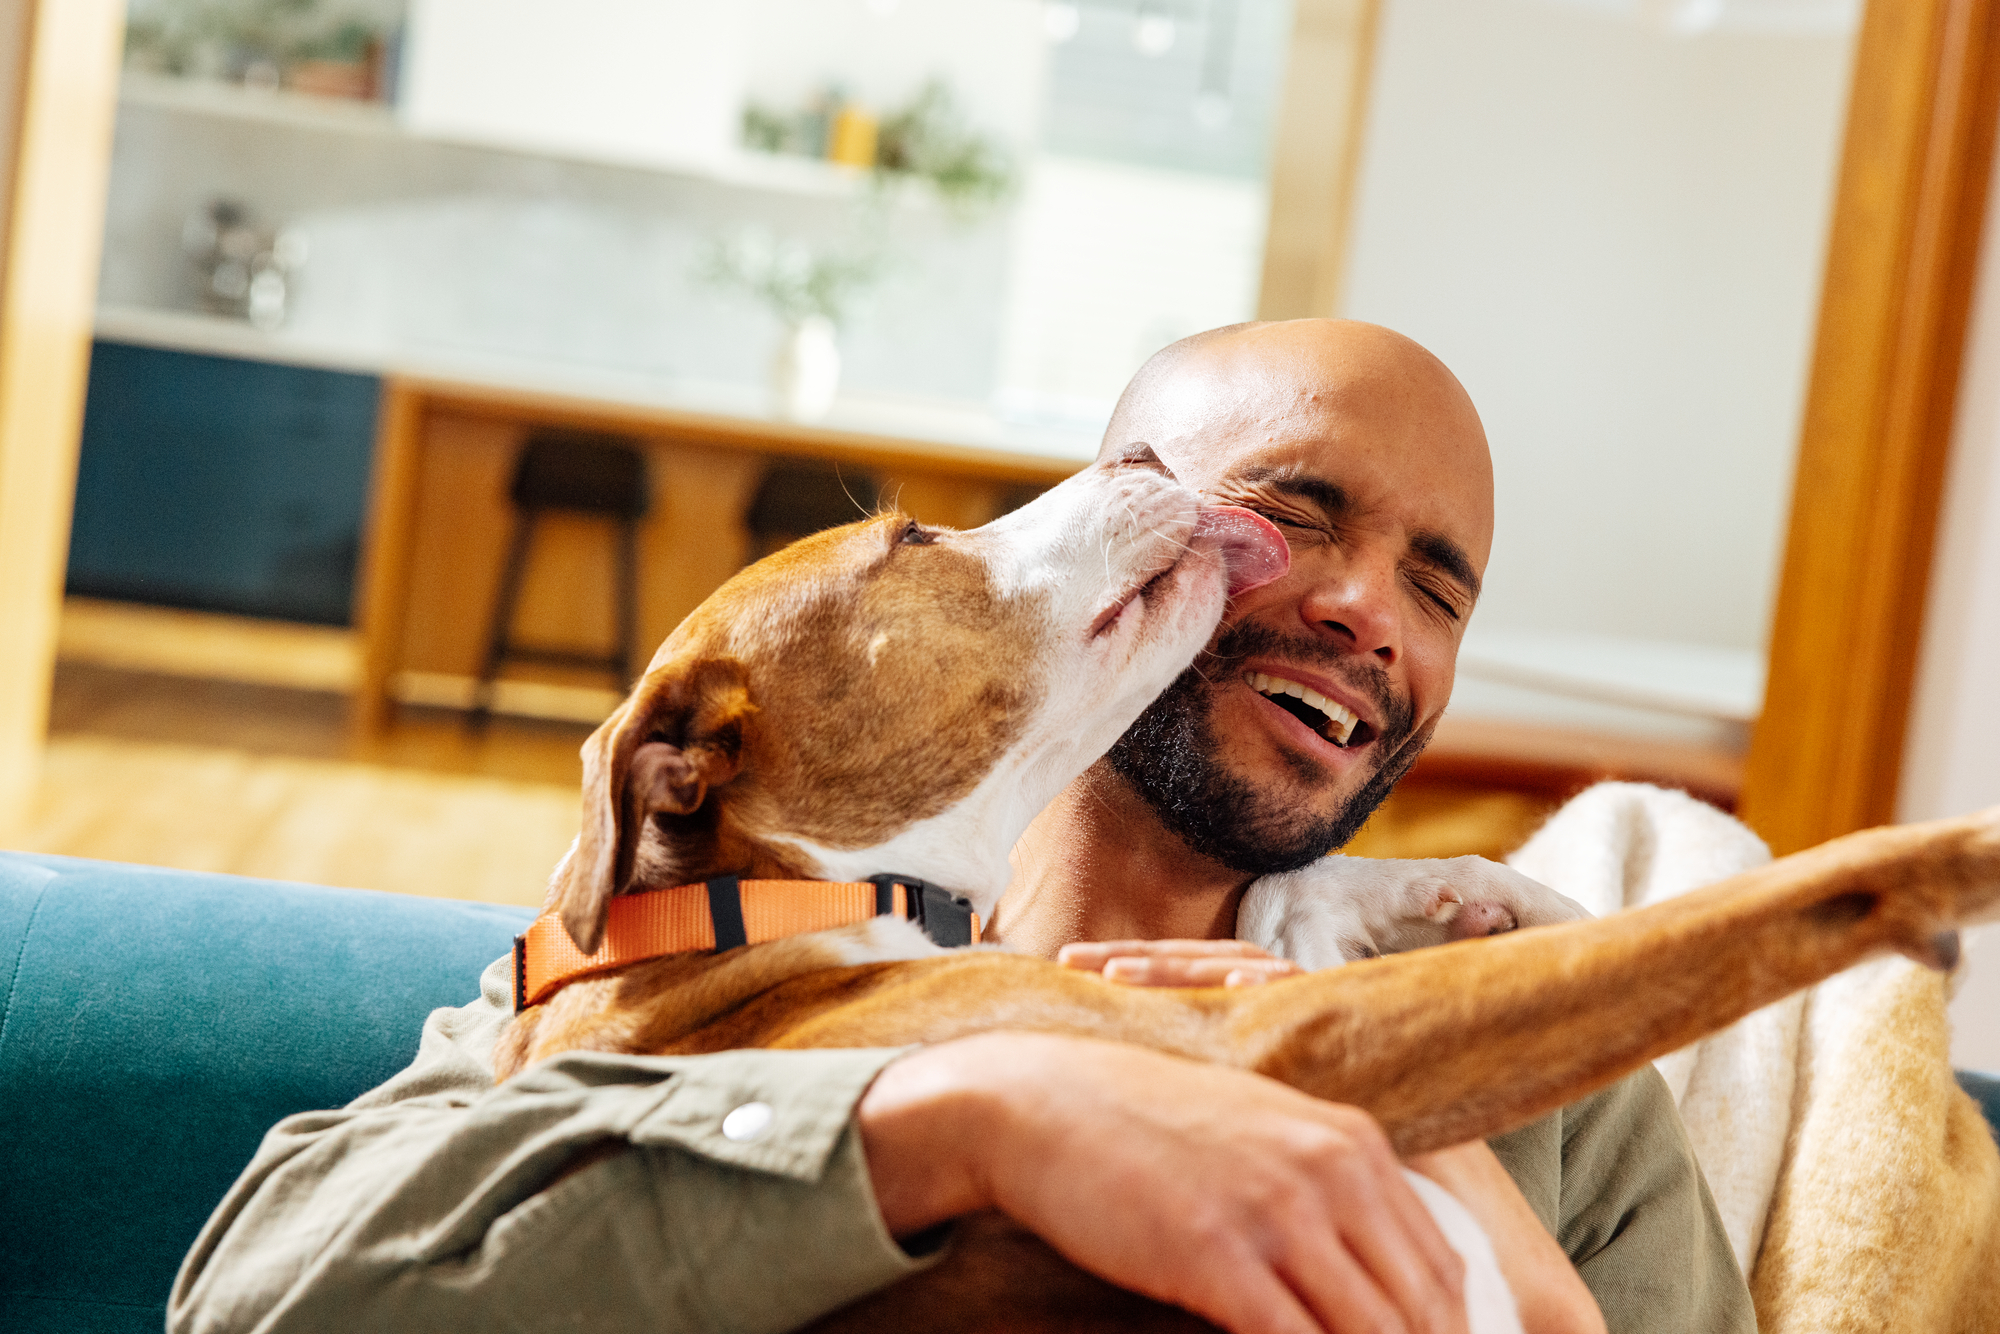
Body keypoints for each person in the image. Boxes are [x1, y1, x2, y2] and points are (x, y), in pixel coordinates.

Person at [169, 320, 1749, 1334]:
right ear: (1123, 534)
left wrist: (1432, 1150)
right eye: (1295, 513)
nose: (1364, 611)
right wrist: (961, 1119)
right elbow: (259, 1301)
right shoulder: (703, 966)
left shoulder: (1544, 1063)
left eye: (1436, 585)